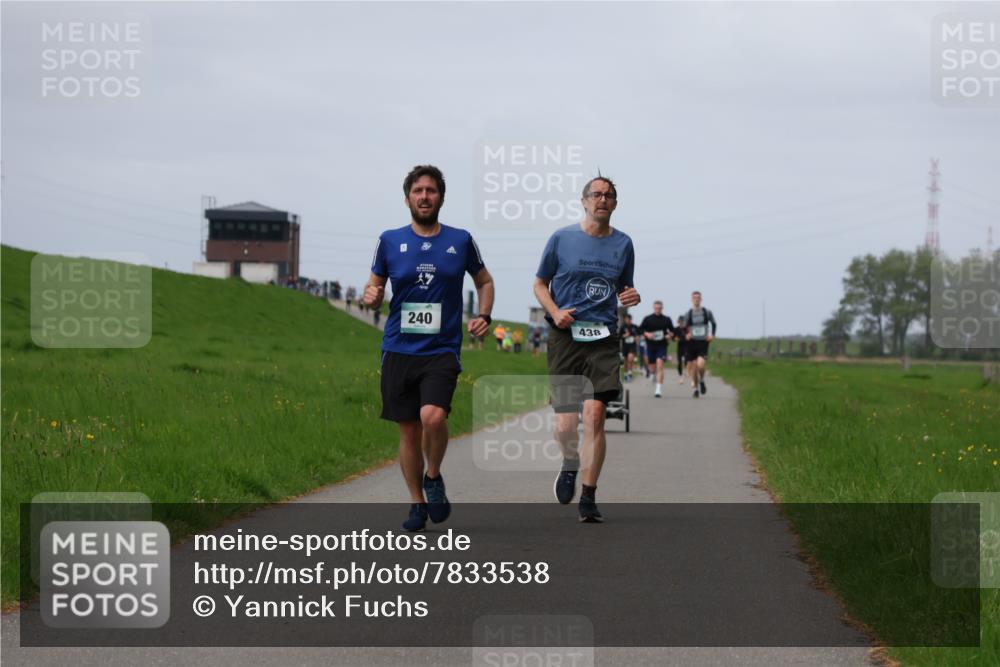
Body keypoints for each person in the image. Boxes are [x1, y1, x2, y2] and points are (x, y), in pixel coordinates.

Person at [362, 165, 494, 531]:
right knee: (408, 431)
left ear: (441, 197)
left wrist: (484, 314)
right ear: (407, 199)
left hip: (441, 348)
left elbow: (484, 280)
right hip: (398, 348)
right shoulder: (389, 240)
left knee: (433, 417)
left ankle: (432, 475)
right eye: (418, 191)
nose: (424, 196)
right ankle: (416, 503)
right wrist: (371, 296)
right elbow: (373, 288)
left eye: (431, 191)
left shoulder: (461, 240)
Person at [533, 175, 640, 523]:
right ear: (583, 201)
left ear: (615, 203)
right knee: (567, 424)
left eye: (609, 195)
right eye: (596, 194)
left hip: (603, 338)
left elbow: (625, 288)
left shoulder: (623, 244)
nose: (602, 199)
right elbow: (539, 283)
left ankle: (589, 497)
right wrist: (555, 312)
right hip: (565, 336)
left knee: (595, 416)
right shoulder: (561, 238)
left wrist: (632, 295)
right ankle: (570, 461)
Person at [684, 291, 717, 399]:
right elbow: (684, 327)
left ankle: (702, 380)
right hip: (692, 343)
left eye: (698, 297)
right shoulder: (689, 313)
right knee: (694, 367)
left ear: (701, 299)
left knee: (700, 365)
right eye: (694, 298)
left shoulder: (706, 312)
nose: (696, 299)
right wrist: (686, 334)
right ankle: (695, 389)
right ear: (692, 300)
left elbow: (714, 323)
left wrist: (712, 335)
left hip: (703, 342)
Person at [640, 301, 674, 398]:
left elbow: (672, 331)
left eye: (659, 308)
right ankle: (652, 373)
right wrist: (647, 334)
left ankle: (658, 389)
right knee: (653, 367)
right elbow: (640, 329)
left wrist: (669, 335)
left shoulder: (666, 319)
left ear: (662, 308)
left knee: (660, 364)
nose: (658, 310)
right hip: (650, 345)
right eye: (656, 308)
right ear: (653, 308)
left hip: (662, 346)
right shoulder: (648, 319)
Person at [619, 313, 640, 381]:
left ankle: (630, 373)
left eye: (629, 319)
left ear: (631, 319)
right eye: (626, 319)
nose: (628, 320)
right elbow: (619, 336)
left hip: (632, 346)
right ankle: (625, 374)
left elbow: (639, 335)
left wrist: (637, 337)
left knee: (630, 359)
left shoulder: (635, 327)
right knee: (626, 361)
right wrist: (624, 335)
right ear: (625, 320)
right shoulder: (623, 327)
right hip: (625, 346)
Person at [674, 315, 688, 384]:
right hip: (679, 347)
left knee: (686, 361)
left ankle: (685, 374)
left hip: (687, 347)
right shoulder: (676, 329)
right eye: (680, 321)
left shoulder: (687, 329)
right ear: (678, 322)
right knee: (679, 362)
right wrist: (675, 339)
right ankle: (680, 375)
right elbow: (673, 337)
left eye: (682, 321)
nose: (681, 323)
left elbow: (689, 336)